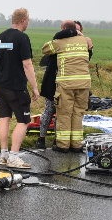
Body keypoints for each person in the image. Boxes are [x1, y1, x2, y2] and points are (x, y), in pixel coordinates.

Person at [0, 8, 40, 169]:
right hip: (16, 87)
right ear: (24, 20)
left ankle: (3, 155)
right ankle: (14, 156)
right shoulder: (22, 38)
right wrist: (35, 87)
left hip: (1, 85)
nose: (28, 23)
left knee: (4, 118)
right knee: (24, 120)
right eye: (28, 20)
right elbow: (27, 64)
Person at [36, 21, 93, 150]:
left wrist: (61, 35)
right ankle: (76, 145)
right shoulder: (85, 40)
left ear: (63, 29)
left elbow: (44, 49)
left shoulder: (60, 42)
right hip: (84, 84)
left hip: (66, 84)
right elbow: (90, 47)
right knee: (78, 114)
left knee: (64, 114)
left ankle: (63, 145)